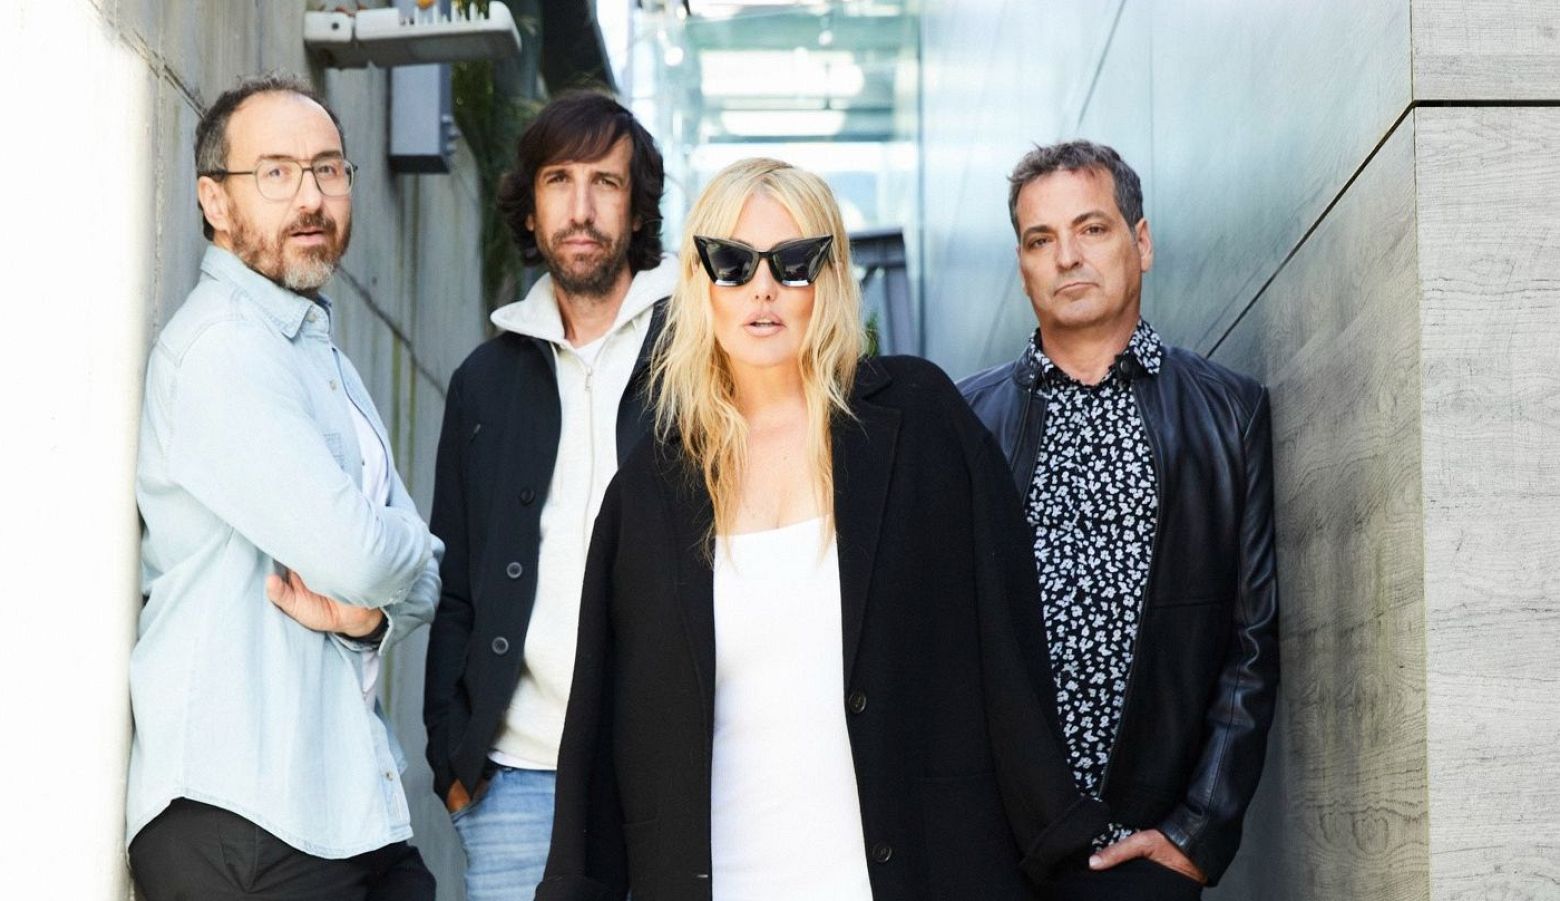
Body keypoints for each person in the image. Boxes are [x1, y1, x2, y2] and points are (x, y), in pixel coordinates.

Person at [536, 157, 1107, 901]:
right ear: (700, 283)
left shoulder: (921, 420)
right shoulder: (651, 488)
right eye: (732, 263)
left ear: (830, 275)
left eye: (792, 262)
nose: (763, 288)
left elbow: (1010, 650)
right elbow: (603, 732)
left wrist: (1067, 844)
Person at [127, 73, 441, 898]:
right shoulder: (223, 350)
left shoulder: (319, 352)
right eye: (275, 172)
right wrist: (400, 558)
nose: (311, 196)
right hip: (243, 817)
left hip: (347, 808)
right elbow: (370, 550)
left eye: (329, 169)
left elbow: (414, 586)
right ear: (215, 201)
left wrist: (372, 609)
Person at [959, 140, 1280, 900]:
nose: (1067, 256)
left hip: (1144, 852)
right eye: (1041, 239)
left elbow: (1253, 641)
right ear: (1022, 263)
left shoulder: (1227, 414)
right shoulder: (967, 421)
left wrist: (1197, 831)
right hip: (992, 853)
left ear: (1141, 243)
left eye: (1092, 229)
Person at [423, 91, 678, 900]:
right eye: (558, 180)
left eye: (606, 182)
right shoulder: (484, 381)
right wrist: (451, 752)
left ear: (637, 210)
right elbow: (454, 577)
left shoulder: (699, 353)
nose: (580, 208)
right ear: (529, 210)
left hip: (674, 772)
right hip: (517, 780)